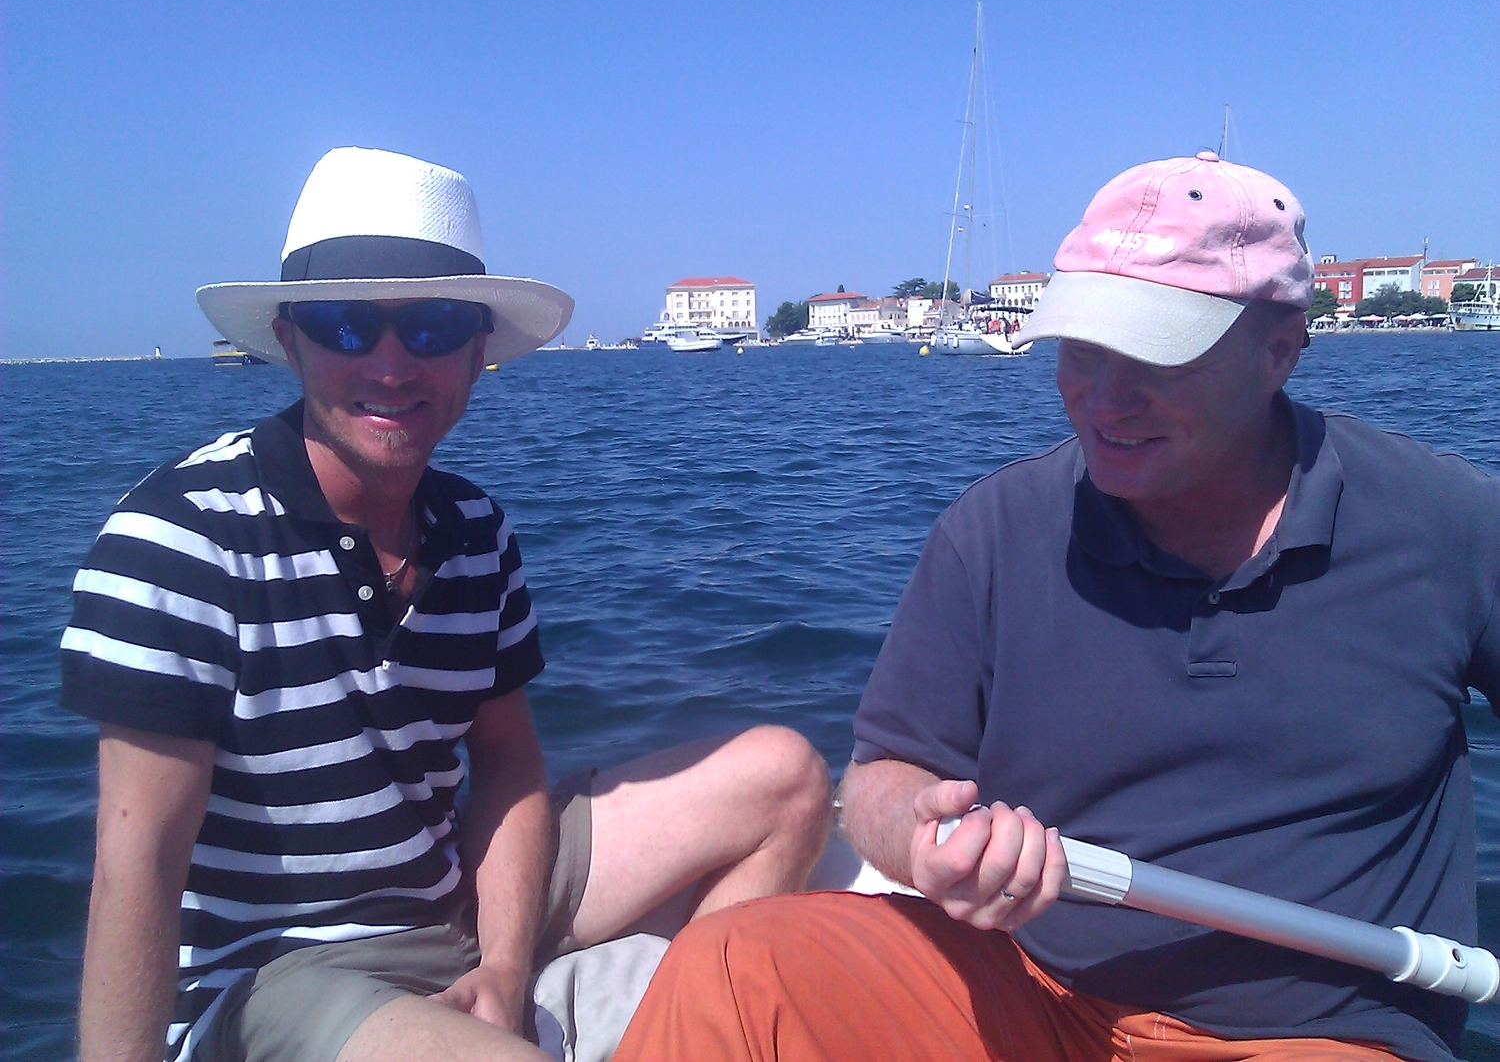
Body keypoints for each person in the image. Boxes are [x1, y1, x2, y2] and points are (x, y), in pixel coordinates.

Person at [613, 151, 1500, 1062]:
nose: (1104, 398)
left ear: (1279, 348)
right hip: (1026, 988)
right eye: (1083, 347)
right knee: (731, 965)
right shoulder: (992, 530)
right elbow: (881, 777)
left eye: (1157, 350)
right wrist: (928, 841)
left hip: (1319, 1032)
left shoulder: (1449, 523)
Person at [61, 146, 831, 1062]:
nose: (390, 364)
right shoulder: (178, 536)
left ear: (475, 352)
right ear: (294, 340)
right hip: (278, 973)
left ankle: (679, 1033)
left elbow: (505, 769)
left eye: (429, 325)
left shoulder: (475, 527)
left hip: (450, 897)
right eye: (347, 324)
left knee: (789, 778)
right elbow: (136, 865)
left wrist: (505, 969)